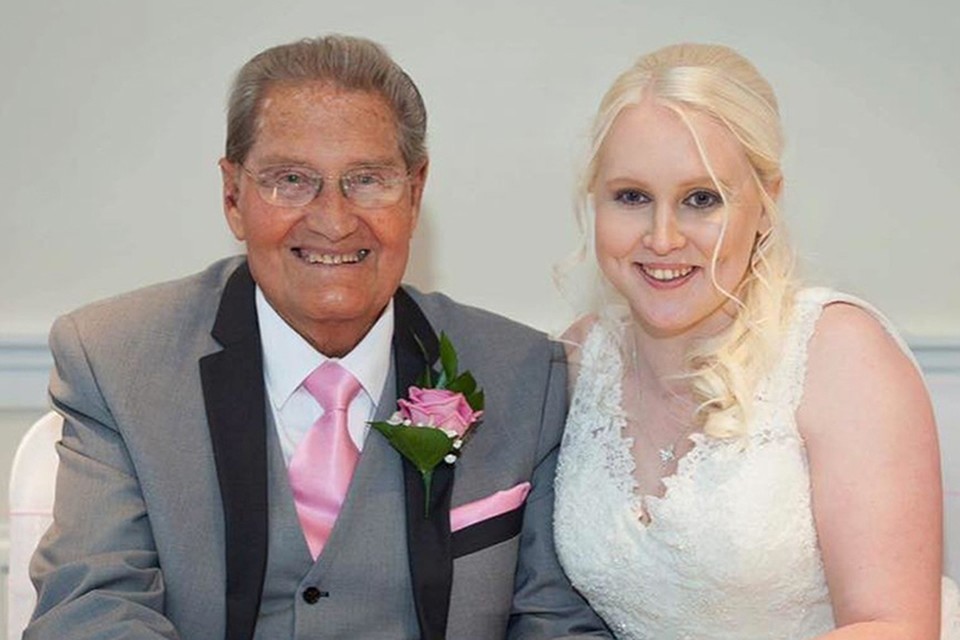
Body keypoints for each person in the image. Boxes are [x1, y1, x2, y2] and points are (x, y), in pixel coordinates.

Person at [27, 35, 611, 640]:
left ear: (415, 193)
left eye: (367, 179)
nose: (333, 221)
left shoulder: (524, 374)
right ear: (233, 196)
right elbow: (91, 611)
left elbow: (553, 623)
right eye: (291, 179)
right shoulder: (117, 360)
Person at [553, 43, 960, 639]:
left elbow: (893, 626)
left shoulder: (837, 353)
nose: (662, 238)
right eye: (632, 197)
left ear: (767, 204)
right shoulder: (578, 361)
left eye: (702, 199)